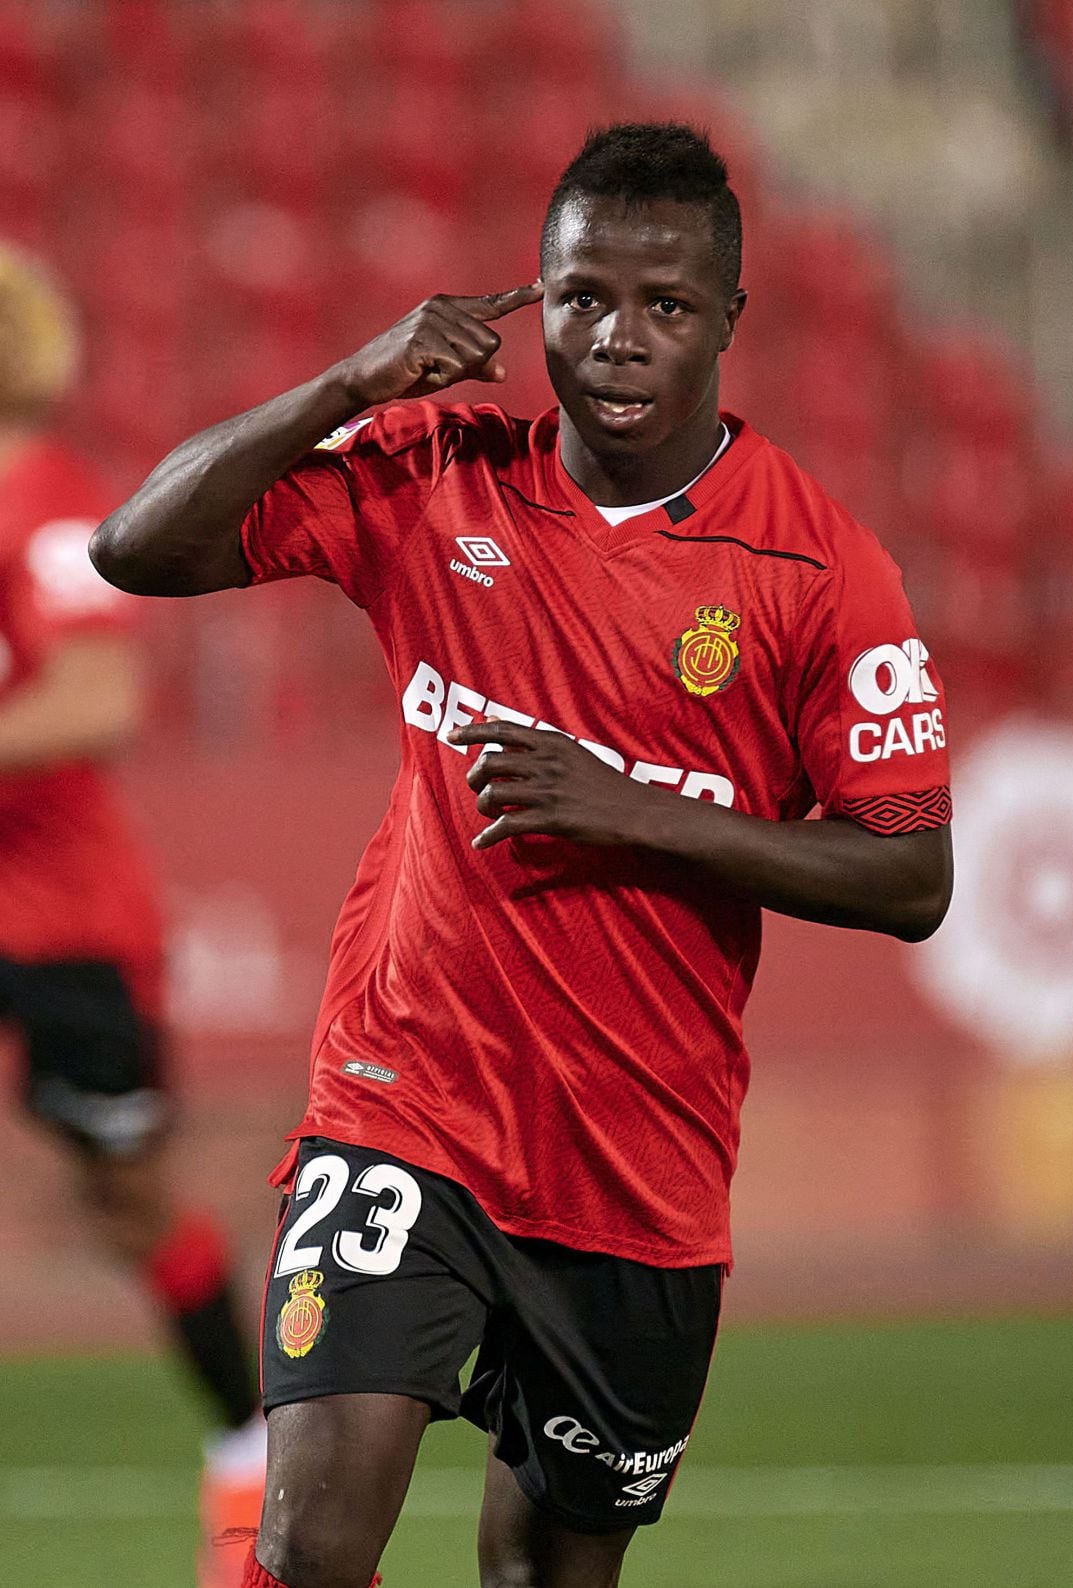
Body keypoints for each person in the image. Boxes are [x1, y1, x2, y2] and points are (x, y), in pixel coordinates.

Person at [91, 123, 953, 1588]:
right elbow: (138, 548)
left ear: (730, 322)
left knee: (544, 1575)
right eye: (582, 299)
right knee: (305, 1550)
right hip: (402, 1103)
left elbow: (912, 877)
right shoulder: (439, 473)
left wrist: (633, 809)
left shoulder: (818, 571)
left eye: (665, 307)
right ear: (535, 301)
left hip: (636, 1167)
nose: (618, 339)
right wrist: (343, 389)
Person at [0, 245, 264, 1588]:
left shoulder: (48, 501)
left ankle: (247, 1443)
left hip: (62, 922)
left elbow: (94, 702)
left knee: (129, 1200)